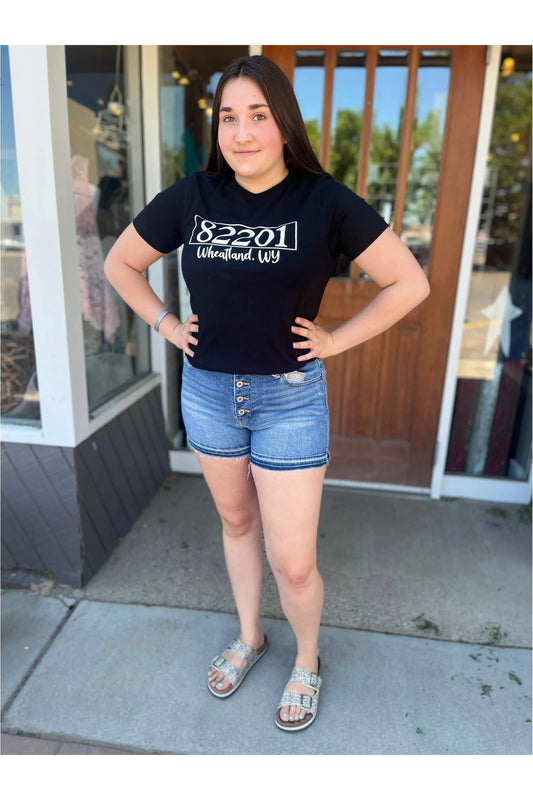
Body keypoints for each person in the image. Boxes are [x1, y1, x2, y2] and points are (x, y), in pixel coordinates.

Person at [104, 54, 430, 732]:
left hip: (289, 400)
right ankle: (250, 635)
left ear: (283, 123)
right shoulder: (192, 197)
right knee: (236, 524)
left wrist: (335, 341)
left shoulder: (323, 201)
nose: (242, 132)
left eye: (257, 115)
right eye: (228, 117)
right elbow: (121, 263)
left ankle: (307, 659)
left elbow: (408, 282)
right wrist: (168, 325)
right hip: (207, 392)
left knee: (294, 561)